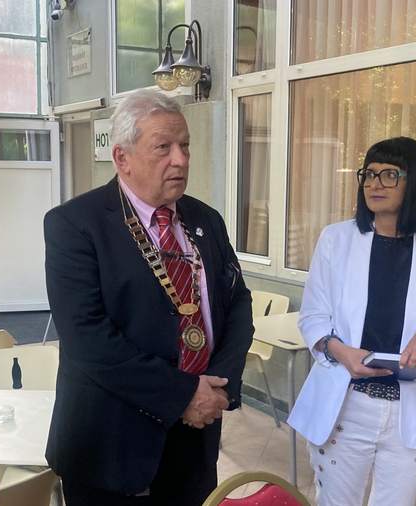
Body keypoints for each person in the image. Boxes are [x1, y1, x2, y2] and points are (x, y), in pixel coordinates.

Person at [43, 89, 253, 506]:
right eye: (164, 147)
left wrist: (220, 387)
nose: (181, 159)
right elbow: (87, 336)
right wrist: (183, 394)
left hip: (195, 435)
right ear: (122, 157)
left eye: (185, 146)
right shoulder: (75, 224)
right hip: (112, 441)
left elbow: (238, 305)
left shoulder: (206, 220)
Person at [288, 137, 416, 506]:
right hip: (346, 403)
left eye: (390, 174)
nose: (374, 184)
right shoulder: (336, 239)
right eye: (369, 174)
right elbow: (312, 315)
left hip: (413, 408)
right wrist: (338, 350)